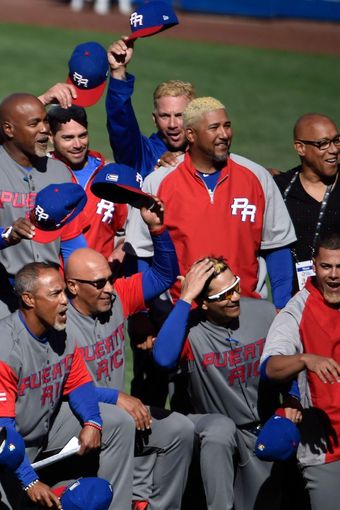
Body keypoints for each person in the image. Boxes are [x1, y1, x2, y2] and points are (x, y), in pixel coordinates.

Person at [0, 262, 134, 509]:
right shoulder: (1, 349)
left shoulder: (60, 331)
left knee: (116, 422)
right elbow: (0, 429)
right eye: (55, 294)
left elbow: (79, 383)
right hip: (0, 443)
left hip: (43, 424)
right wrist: (29, 481)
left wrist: (92, 421)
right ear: (29, 299)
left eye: (64, 292)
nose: (65, 301)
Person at [64, 198, 193, 509]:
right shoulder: (60, 323)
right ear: (72, 287)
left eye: (109, 278)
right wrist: (115, 397)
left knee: (180, 430)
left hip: (119, 415)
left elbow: (164, 276)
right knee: (119, 421)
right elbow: (60, 390)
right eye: (98, 283)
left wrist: (157, 229)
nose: (109, 287)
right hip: (77, 418)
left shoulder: (117, 298)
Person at [124, 96, 297, 309]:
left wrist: (282, 306)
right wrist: (146, 311)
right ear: (191, 134)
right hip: (183, 312)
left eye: (227, 126)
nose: (224, 135)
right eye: (214, 128)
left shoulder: (257, 177)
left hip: (247, 308)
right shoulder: (159, 182)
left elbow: (277, 246)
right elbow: (143, 253)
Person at [152, 257, 291, 509]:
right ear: (203, 303)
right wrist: (184, 300)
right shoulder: (188, 329)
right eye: (225, 295)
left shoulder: (264, 312)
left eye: (235, 287)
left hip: (263, 432)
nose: (235, 297)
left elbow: (292, 358)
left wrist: (291, 400)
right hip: (212, 434)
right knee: (220, 430)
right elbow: (162, 358)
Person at [0, 93, 89, 335]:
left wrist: (82, 283)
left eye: (45, 122)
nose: (44, 131)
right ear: (9, 129)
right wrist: (7, 234)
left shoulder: (60, 172)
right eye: (34, 124)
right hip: (2, 292)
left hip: (51, 294)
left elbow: (72, 239)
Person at [261, 232, 340, 509]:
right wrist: (305, 359)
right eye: (326, 266)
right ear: (314, 264)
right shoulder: (297, 310)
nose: (333, 275)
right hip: (327, 450)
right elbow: (270, 367)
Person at [105, 37, 195, 177]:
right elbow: (121, 125)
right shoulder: (142, 155)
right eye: (165, 116)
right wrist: (118, 72)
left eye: (179, 115)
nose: (172, 124)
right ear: (154, 118)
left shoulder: (206, 156)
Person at [48, 104, 127, 259]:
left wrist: (122, 248)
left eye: (82, 135)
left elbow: (126, 230)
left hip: (101, 278)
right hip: (53, 279)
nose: (78, 145)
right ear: (51, 137)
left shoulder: (110, 177)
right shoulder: (40, 174)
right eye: (68, 138)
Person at [274, 113, 340, 291]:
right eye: (323, 144)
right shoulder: (281, 189)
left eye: (336, 141)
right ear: (300, 147)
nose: (333, 149)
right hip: (298, 302)